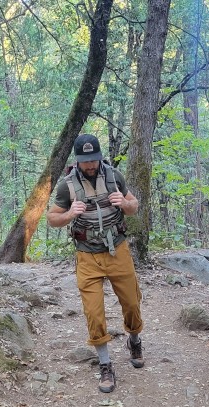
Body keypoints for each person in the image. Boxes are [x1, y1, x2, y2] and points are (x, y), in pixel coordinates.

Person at [46, 133, 144, 393]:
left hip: (117, 250)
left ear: (99, 157)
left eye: (93, 159)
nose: (90, 165)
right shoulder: (67, 186)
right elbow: (52, 218)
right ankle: (105, 364)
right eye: (85, 161)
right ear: (77, 160)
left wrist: (125, 203)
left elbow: (134, 205)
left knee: (131, 302)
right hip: (87, 255)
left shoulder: (114, 176)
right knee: (93, 311)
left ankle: (134, 340)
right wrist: (69, 214)